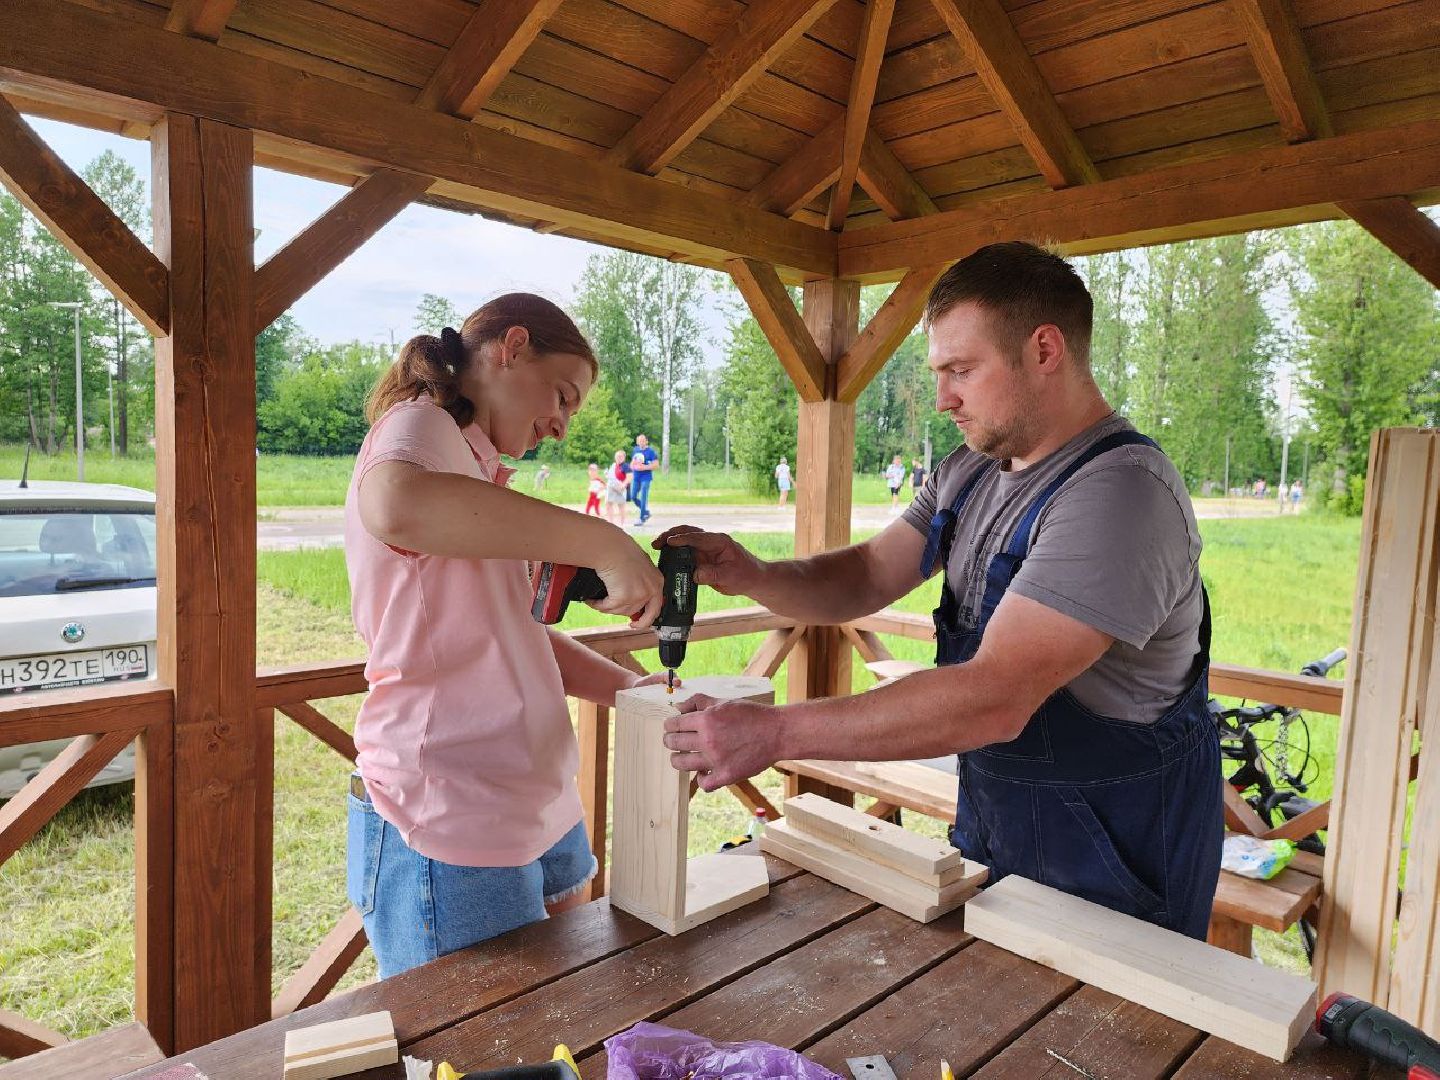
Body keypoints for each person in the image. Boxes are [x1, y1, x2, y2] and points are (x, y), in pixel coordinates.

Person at [655, 242, 1222, 939]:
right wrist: (750, 574)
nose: (943, 397)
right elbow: (866, 574)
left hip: (1118, 875)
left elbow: (995, 697)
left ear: (1045, 350)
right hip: (999, 832)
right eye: (939, 372)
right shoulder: (974, 471)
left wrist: (775, 732)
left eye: (961, 370)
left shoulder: (1121, 494)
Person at [344, 293, 669, 978]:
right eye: (563, 395)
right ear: (511, 347)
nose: (561, 423)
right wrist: (605, 541)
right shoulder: (421, 425)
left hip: (538, 801)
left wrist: (639, 692)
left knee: (557, 1024)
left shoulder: (479, 469)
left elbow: (516, 635)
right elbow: (393, 503)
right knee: (485, 1052)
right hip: (448, 816)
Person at [630, 433, 659, 525]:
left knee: (643, 496)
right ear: (637, 441)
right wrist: (632, 466)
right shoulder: (635, 450)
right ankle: (646, 512)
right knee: (633, 496)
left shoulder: (651, 452)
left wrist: (644, 467)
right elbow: (632, 462)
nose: (641, 442)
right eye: (639, 440)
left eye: (643, 440)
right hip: (636, 477)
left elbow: (656, 465)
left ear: (646, 441)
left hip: (646, 477)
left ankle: (641, 518)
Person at [605, 449, 630, 527]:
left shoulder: (626, 466)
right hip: (611, 487)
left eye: (620, 456)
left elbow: (630, 477)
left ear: (624, 457)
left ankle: (622, 524)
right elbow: (610, 476)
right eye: (617, 456)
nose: (618, 458)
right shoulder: (613, 465)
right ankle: (611, 522)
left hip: (620, 488)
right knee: (608, 504)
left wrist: (624, 484)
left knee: (621, 505)